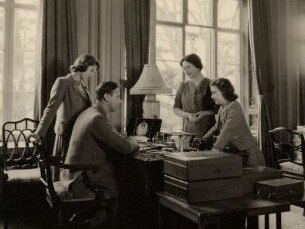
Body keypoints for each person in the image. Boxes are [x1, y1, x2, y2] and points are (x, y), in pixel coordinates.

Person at [60, 81, 139, 228]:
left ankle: (84, 222)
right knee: (121, 192)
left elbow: (112, 137)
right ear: (107, 97)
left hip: (72, 174)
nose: (120, 101)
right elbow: (126, 148)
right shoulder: (97, 118)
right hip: (81, 180)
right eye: (118, 96)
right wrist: (134, 142)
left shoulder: (89, 112)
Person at [31, 54, 100, 171]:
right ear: (83, 66)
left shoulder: (83, 84)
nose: (92, 75)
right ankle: (60, 188)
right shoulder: (63, 82)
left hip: (79, 132)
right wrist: (39, 132)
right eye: (91, 70)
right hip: (66, 132)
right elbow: (50, 109)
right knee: (65, 168)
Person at [201, 78, 266, 167]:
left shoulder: (235, 107)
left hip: (249, 153)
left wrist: (216, 147)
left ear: (224, 91)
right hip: (238, 152)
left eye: (214, 92)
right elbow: (217, 126)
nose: (212, 96)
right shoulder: (222, 108)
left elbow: (228, 129)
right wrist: (203, 139)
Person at [173, 53, 215, 148]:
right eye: (184, 69)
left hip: (207, 130)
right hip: (188, 132)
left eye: (188, 67)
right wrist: (188, 115)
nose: (186, 71)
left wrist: (204, 113)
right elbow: (176, 108)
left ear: (197, 66)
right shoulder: (183, 86)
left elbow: (219, 110)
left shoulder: (211, 84)